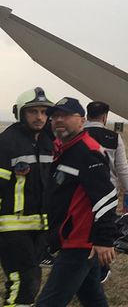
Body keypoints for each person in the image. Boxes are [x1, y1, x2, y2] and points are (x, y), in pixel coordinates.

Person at [36, 97, 118, 307]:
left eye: (65, 116)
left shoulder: (86, 152)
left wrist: (104, 239)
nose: (58, 120)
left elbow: (106, 196)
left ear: (82, 121)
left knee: (49, 302)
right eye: (54, 117)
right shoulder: (65, 149)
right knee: (92, 298)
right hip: (71, 238)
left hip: (79, 242)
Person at [0, 88, 54, 306]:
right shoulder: (6, 143)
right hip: (12, 227)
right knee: (22, 281)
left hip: (39, 227)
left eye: (43, 112)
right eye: (33, 111)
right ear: (20, 113)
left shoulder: (48, 143)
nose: (39, 117)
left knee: (31, 278)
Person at [84, 101, 128, 212]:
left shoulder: (77, 135)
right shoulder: (114, 138)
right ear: (104, 117)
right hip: (108, 193)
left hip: (82, 191)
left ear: (87, 116)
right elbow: (122, 168)